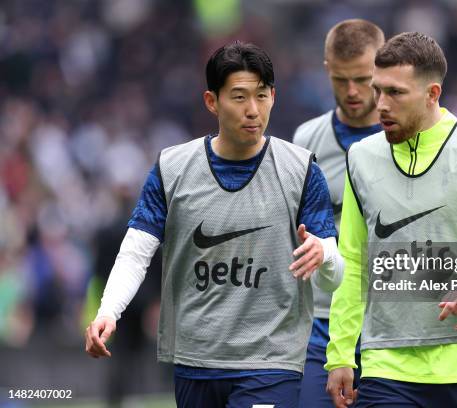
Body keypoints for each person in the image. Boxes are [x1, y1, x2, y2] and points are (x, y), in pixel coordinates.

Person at [84, 41, 345, 408]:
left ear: (273, 96)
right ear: (212, 102)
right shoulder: (171, 169)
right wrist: (108, 312)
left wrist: (325, 256)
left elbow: (335, 275)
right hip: (195, 361)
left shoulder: (302, 171)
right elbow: (135, 253)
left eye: (262, 95)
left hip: (270, 362)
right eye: (239, 97)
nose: (253, 110)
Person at [325, 32, 457, 408]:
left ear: (432, 94)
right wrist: (339, 354)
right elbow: (353, 259)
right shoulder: (361, 158)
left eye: (396, 93)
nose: (381, 105)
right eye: (379, 90)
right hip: (388, 367)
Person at [292, 19, 384, 407]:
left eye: (363, 79)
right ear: (327, 68)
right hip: (324, 321)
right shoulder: (306, 141)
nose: (352, 91)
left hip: (389, 322)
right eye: (341, 79)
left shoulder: (406, 135)